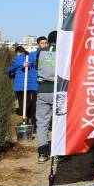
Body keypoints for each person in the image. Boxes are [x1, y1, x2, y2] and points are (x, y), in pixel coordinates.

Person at [34, 32, 57, 163]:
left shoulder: (40, 51)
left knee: (42, 123)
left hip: (42, 90)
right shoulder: (63, 51)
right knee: (60, 122)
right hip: (58, 91)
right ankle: (60, 153)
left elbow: (37, 66)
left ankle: (42, 154)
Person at [7, 46, 38, 124]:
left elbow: (12, 68)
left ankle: (22, 118)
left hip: (20, 85)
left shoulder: (19, 58)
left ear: (18, 52)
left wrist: (7, 70)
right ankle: (29, 116)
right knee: (27, 100)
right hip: (29, 84)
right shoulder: (30, 57)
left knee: (21, 102)